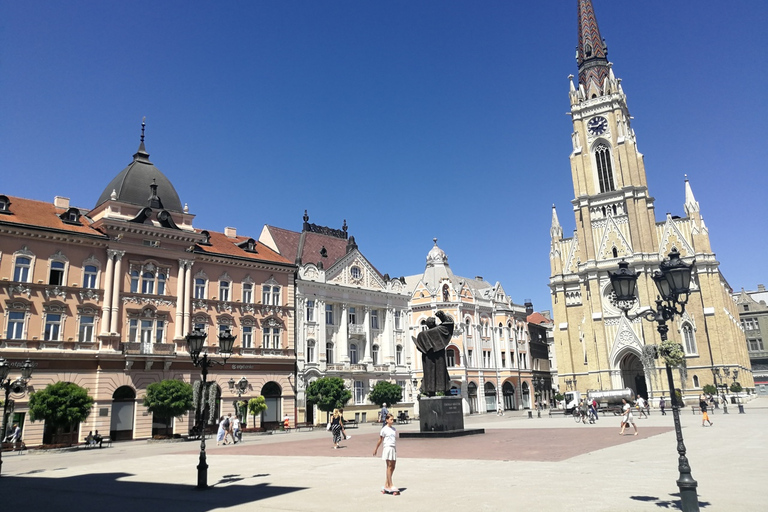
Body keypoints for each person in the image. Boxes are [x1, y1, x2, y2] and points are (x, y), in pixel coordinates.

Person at [412, 311, 454, 396]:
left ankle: (430, 391)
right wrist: (442, 317)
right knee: (442, 372)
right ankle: (446, 390)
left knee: (429, 373)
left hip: (428, 357)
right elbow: (449, 324)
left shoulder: (422, 334)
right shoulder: (440, 329)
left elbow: (419, 346)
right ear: (434, 323)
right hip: (439, 356)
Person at [373, 413, 399, 495]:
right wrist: (376, 449)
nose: (392, 421)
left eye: (393, 419)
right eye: (391, 419)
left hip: (393, 448)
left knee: (393, 466)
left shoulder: (394, 429)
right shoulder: (384, 429)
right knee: (389, 466)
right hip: (387, 448)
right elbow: (380, 440)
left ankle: (386, 484)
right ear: (387, 420)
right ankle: (390, 484)